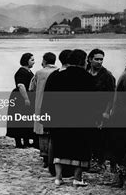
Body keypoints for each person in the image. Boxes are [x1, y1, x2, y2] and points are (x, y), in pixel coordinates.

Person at [43, 49, 100, 187]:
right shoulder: (88, 78)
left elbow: (48, 98)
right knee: (81, 148)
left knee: (60, 146)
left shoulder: (56, 76)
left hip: (59, 118)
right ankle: (77, 178)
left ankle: (58, 178)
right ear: (82, 61)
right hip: (81, 119)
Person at [107, 52, 126, 188]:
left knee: (121, 149)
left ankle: (121, 179)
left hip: (120, 118)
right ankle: (125, 180)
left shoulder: (125, 75)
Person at [86, 49, 116, 172]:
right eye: (96, 59)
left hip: (101, 110)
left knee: (100, 137)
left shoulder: (107, 75)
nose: (99, 61)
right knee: (88, 135)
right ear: (90, 59)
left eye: (101, 59)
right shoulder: (85, 73)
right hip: (87, 109)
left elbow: (112, 95)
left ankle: (100, 162)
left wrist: (107, 112)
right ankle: (89, 160)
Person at [29, 52, 58, 167]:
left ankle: (45, 157)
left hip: (41, 104)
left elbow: (32, 88)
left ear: (44, 61)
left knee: (42, 132)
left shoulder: (39, 73)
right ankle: (54, 155)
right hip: (55, 106)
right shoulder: (58, 72)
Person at [6, 53, 35, 148]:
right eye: (32, 60)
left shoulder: (28, 71)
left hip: (24, 96)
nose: (34, 62)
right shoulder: (22, 72)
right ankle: (19, 142)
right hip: (20, 97)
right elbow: (21, 85)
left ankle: (26, 140)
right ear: (26, 61)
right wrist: (26, 98)